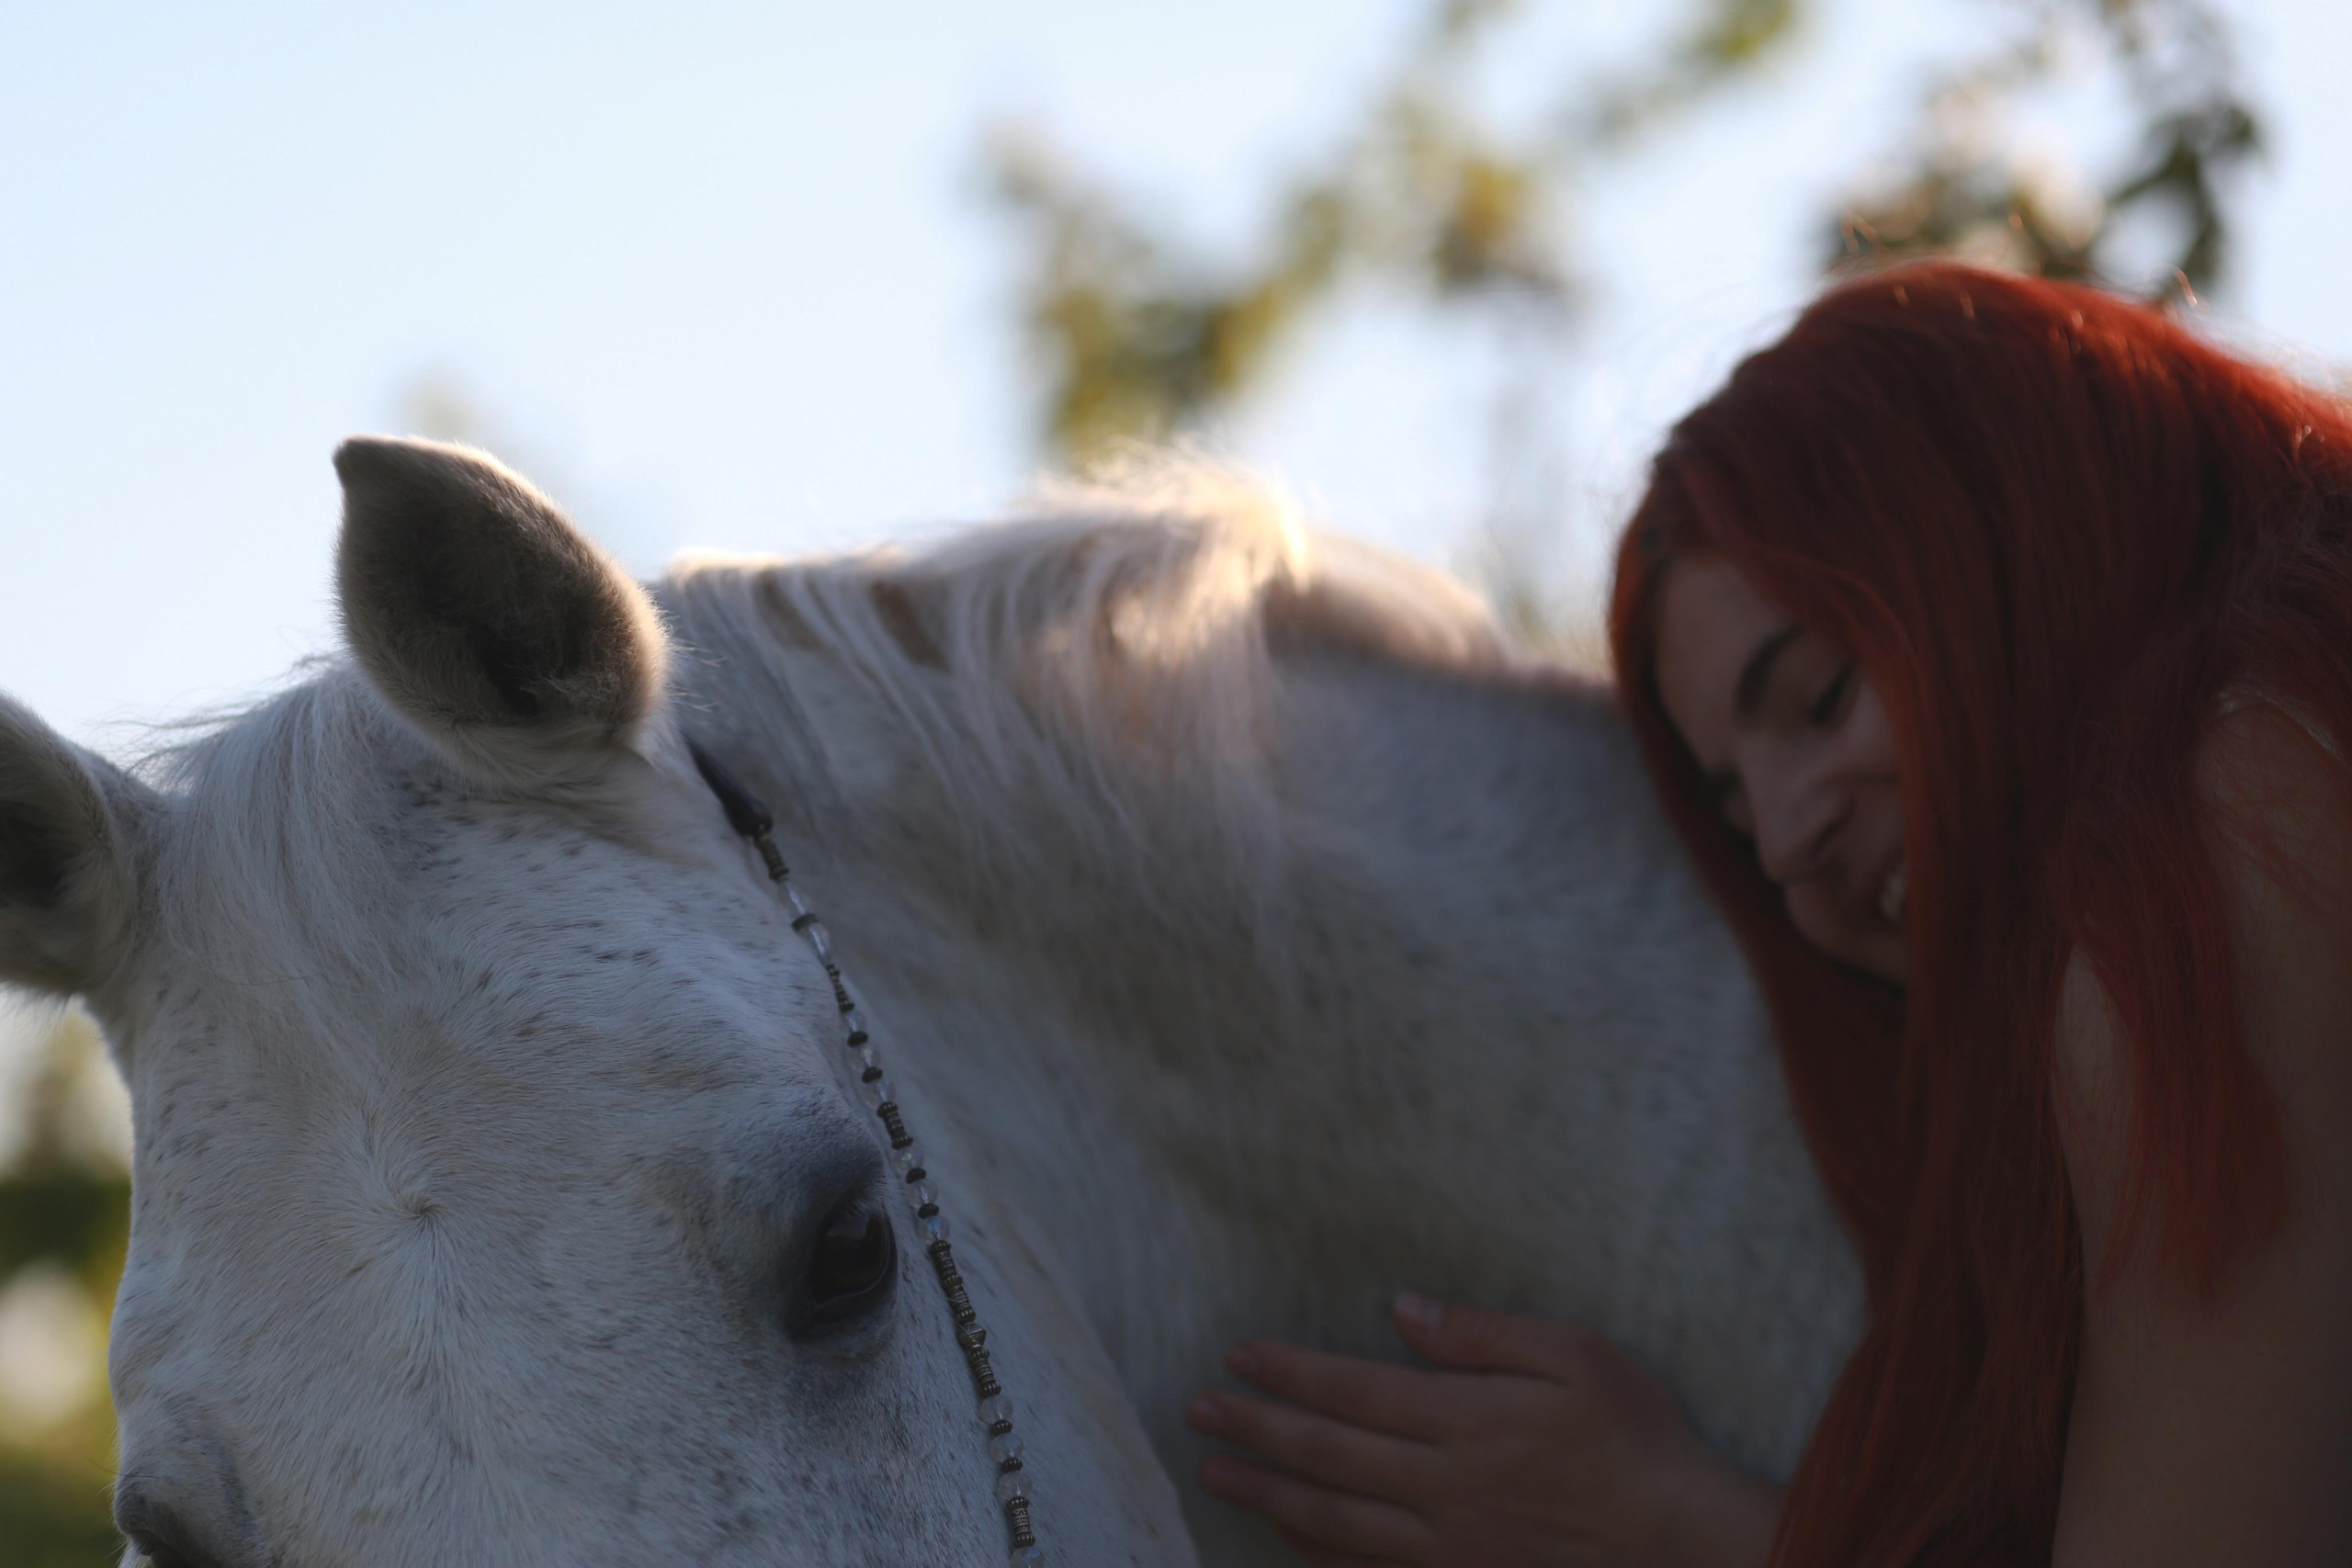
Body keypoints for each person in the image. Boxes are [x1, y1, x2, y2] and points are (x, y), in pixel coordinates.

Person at [1183, 263, 2352, 1566]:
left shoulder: (2251, 822)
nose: (1791, 841)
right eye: (1737, 813)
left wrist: (1673, 1524)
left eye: (1820, 698)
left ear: (2017, 552)